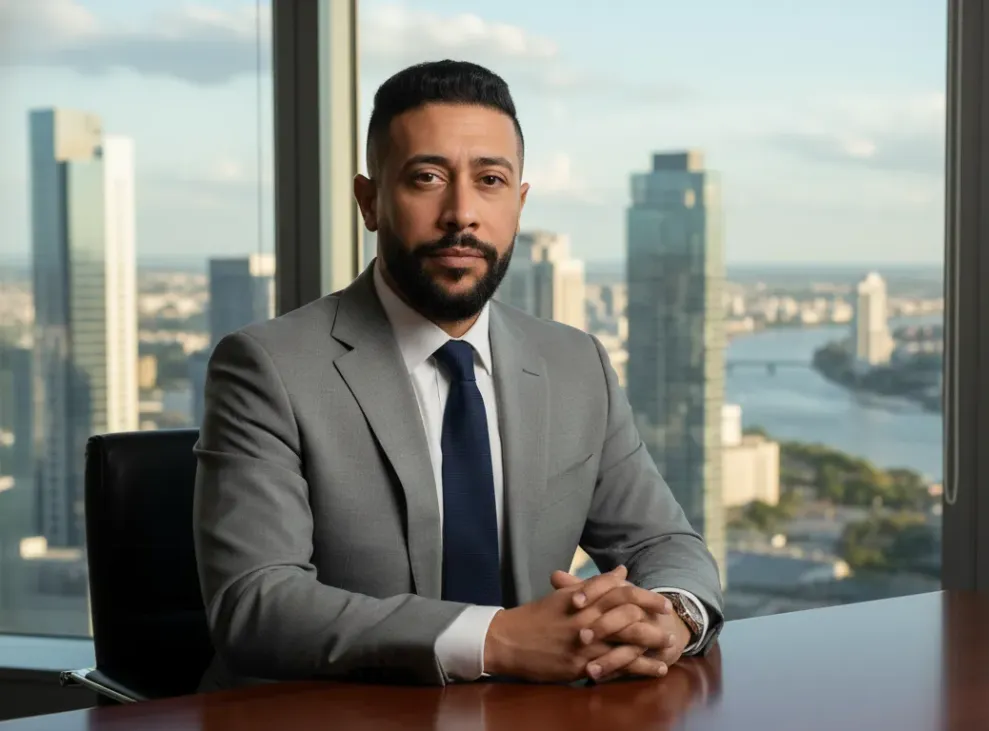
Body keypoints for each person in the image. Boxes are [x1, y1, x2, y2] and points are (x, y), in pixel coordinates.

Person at [193, 59, 723, 691]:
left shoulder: (575, 363)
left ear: (519, 204)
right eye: (427, 178)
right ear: (370, 202)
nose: (461, 213)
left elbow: (664, 543)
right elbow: (256, 602)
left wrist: (671, 617)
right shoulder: (268, 367)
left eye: (491, 180)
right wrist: (497, 639)